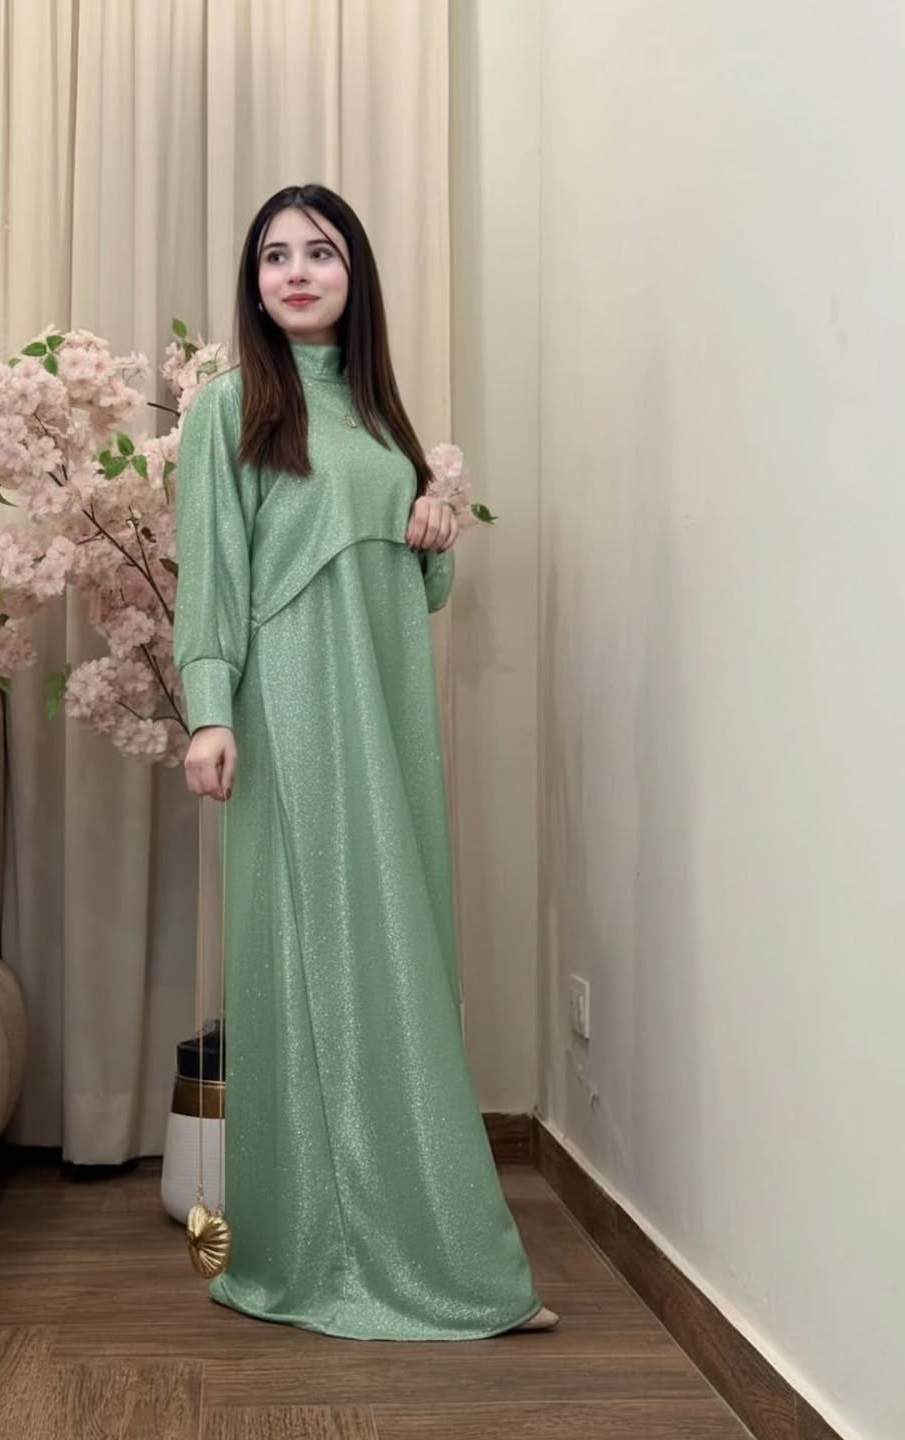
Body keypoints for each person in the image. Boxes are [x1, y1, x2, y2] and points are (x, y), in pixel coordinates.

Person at [173, 183, 559, 1339]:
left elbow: (419, 586)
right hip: (291, 708)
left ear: (355, 275)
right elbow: (212, 569)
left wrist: (437, 534)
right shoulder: (230, 408)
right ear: (255, 285)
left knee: (395, 953)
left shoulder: (385, 419)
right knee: (312, 961)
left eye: (321, 252)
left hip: (387, 713)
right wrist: (209, 712)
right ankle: (315, 1250)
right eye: (275, 256)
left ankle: (424, 1242)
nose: (296, 271)